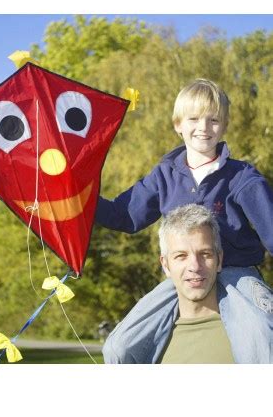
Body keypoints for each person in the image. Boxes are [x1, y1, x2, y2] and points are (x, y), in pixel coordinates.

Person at [96, 79, 273, 363]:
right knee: (119, 347)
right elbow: (125, 215)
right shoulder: (164, 175)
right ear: (178, 124)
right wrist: (78, 200)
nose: (203, 127)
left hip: (237, 272)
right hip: (184, 277)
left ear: (224, 125)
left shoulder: (242, 177)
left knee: (263, 337)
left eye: (213, 119)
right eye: (193, 119)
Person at [103, 204, 272, 363]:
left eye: (205, 254)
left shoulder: (258, 337)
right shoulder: (138, 347)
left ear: (219, 260)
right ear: (165, 265)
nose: (195, 266)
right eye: (181, 256)